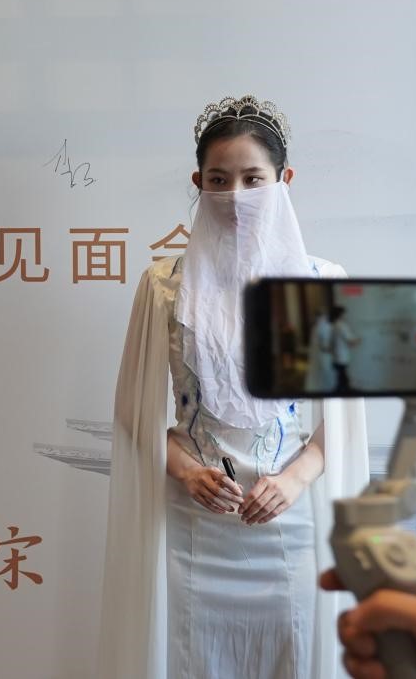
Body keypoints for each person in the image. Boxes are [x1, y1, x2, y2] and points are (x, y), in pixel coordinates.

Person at [97, 95, 371, 678]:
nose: (236, 196)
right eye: (219, 180)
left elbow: (345, 423)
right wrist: (187, 473)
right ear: (199, 183)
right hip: (193, 525)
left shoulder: (323, 284)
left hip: (286, 523)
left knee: (293, 657)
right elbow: (132, 413)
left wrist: (293, 480)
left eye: (253, 179)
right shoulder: (164, 286)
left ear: (284, 181)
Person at [330, 307, 361, 392]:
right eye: (344, 314)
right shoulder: (342, 325)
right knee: (342, 375)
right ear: (340, 314)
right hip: (342, 355)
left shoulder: (334, 325)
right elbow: (350, 341)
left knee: (341, 375)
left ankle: (342, 389)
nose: (346, 316)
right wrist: (360, 340)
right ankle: (343, 390)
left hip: (336, 355)